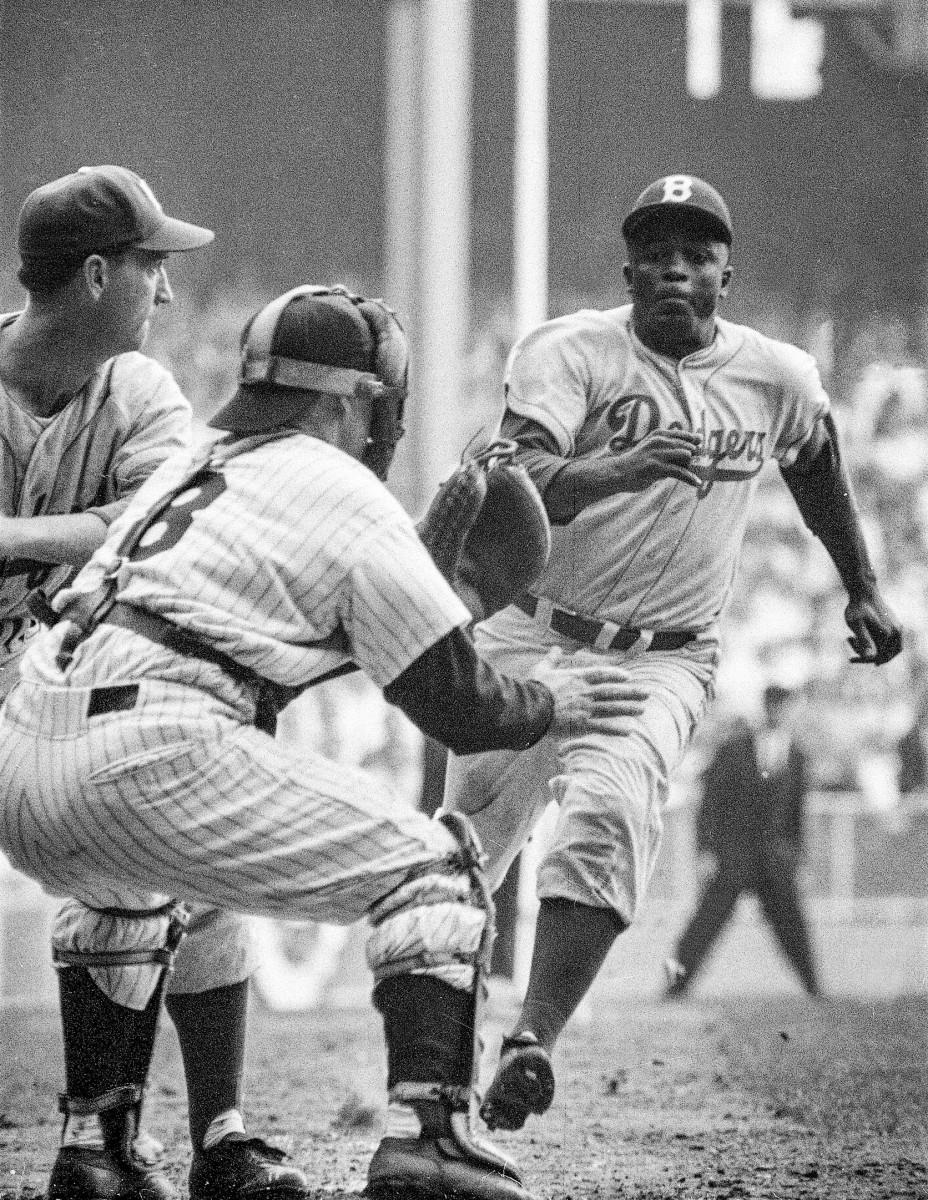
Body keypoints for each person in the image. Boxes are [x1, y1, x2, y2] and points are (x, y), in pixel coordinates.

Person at [0, 283, 645, 1200]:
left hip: (27, 752)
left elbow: (244, 634)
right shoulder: (337, 484)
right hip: (149, 746)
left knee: (132, 890)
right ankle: (429, 1139)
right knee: (437, 871)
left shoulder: (190, 466)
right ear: (347, 402)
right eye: (379, 403)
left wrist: (414, 594)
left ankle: (96, 1150)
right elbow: (452, 703)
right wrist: (550, 705)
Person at [442, 173, 903, 1133]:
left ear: (726, 275)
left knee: (609, 812)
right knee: (458, 857)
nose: (676, 271)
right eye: (658, 254)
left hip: (660, 658)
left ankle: (531, 1039)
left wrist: (862, 584)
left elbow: (815, 460)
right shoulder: (569, 350)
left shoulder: (774, 374)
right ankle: (430, 1082)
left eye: (696, 255)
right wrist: (621, 468)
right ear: (630, 270)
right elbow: (514, 481)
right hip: (530, 630)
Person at [0, 165, 292, 1200]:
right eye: (149, 265)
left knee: (190, 826)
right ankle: (95, 1143)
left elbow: (143, 526)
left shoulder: (142, 391)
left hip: (56, 676)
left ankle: (215, 1137)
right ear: (92, 276)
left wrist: (13, 538)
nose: (166, 291)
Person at [666, 683, 820, 999]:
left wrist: (799, 858)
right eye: (775, 705)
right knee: (704, 925)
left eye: (786, 706)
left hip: (775, 860)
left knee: (793, 927)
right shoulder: (733, 749)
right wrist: (706, 850)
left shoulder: (799, 756)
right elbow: (710, 804)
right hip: (733, 856)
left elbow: (796, 815)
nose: (780, 712)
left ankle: (814, 988)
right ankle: (674, 988)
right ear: (765, 707)